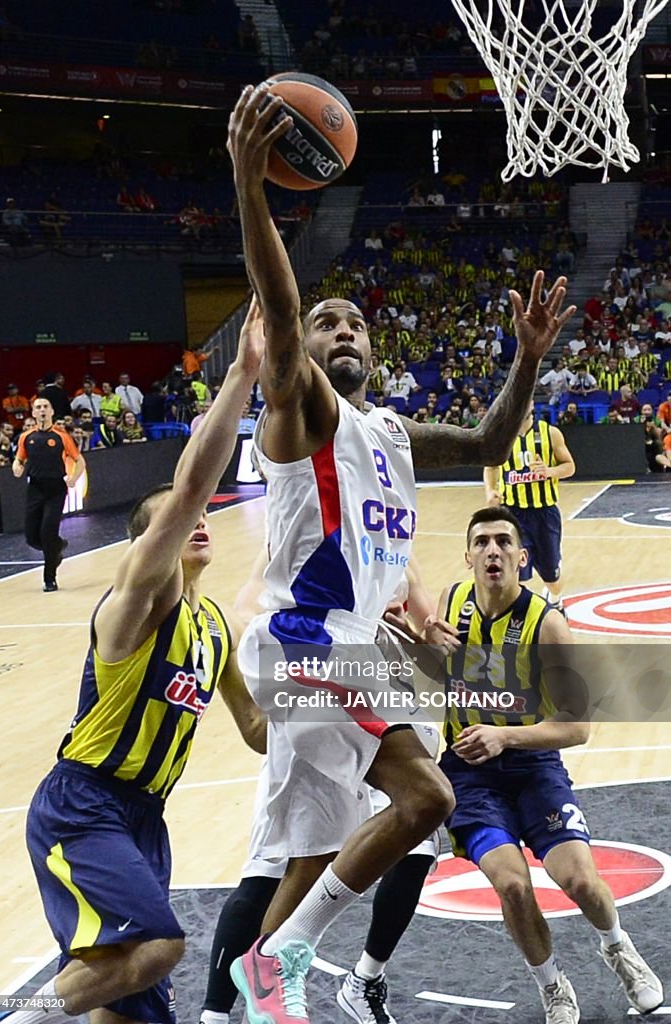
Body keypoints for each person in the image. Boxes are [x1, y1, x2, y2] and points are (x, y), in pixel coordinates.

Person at [226, 81, 576, 1024]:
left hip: (359, 647)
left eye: (358, 325)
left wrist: (529, 357)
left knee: (413, 813)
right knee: (409, 797)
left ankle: (271, 967)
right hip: (305, 639)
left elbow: (497, 443)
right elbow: (281, 311)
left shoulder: (392, 431)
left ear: (376, 353)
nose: (343, 333)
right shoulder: (301, 407)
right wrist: (251, 187)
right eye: (330, 322)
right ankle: (268, 968)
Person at [0, 301, 267, 1024]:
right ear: (147, 547)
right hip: (85, 804)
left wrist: (355, 713)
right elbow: (186, 494)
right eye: (181, 520)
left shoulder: (213, 627)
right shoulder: (133, 606)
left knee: (134, 1003)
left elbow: (257, 729)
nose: (199, 520)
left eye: (206, 517)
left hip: (146, 818)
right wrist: (241, 375)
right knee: (156, 946)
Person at [424, 506, 663, 1023]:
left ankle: (618, 947)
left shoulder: (547, 624)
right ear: (467, 557)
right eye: (482, 542)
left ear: (522, 556)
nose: (493, 550)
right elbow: (430, 676)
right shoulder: (450, 601)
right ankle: (552, 985)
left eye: (504, 542)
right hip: (469, 775)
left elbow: (576, 727)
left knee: (580, 881)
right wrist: (425, 644)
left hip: (533, 765)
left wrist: (503, 736)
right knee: (511, 885)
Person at [200, 556, 445, 1024]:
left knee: (416, 835)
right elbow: (245, 616)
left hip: (372, 690)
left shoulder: (393, 544)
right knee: (279, 869)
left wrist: (415, 645)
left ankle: (361, 980)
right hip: (312, 675)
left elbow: (432, 648)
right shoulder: (302, 538)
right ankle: (218, 1013)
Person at [483, 401, 575, 614]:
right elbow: (491, 467)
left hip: (544, 513)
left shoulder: (550, 433)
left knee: (551, 576)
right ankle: (516, 618)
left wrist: (549, 471)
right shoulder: (502, 437)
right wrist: (490, 490)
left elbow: (570, 466)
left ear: (531, 404)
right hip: (512, 514)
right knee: (514, 572)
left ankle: (555, 598)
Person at [12, 397, 86, 591]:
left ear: (52, 411)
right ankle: (57, 547)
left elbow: (79, 461)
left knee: (47, 532)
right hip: (35, 489)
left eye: (45, 407)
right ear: (33, 413)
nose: (42, 410)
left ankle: (49, 578)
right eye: (38, 407)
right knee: (31, 537)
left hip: (56, 490)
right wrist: (17, 467)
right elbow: (19, 459)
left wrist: (73, 478)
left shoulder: (61, 436)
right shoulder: (26, 437)